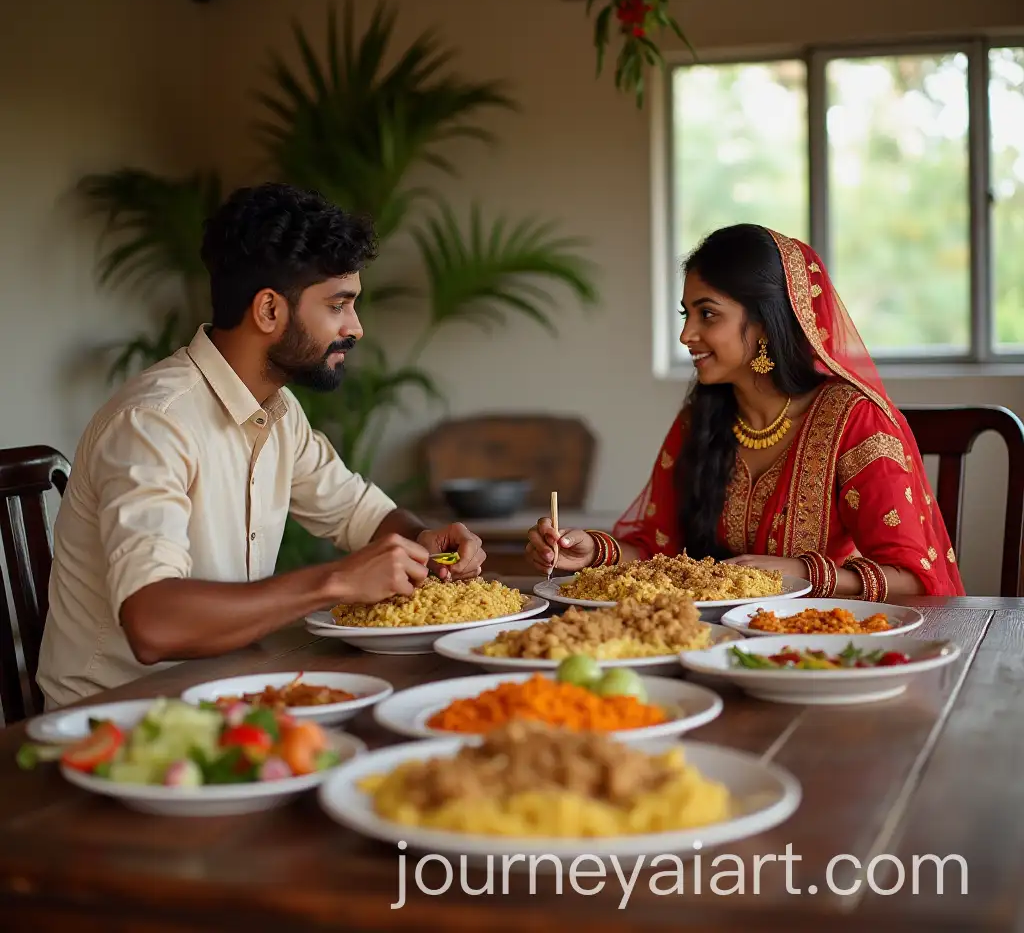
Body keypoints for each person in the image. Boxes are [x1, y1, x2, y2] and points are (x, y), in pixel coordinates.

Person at [37, 183, 486, 709]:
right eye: (338, 305)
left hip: (226, 698)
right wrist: (336, 581)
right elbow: (152, 622)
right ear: (269, 311)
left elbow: (361, 515)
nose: (356, 328)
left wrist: (428, 540)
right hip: (115, 726)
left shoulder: (278, 413)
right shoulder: (153, 422)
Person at [526, 223, 964, 600]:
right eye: (686, 314)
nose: (686, 335)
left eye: (707, 314)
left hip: (825, 644)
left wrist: (802, 573)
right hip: (714, 640)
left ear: (764, 323)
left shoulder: (854, 421)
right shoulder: (703, 419)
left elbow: (914, 580)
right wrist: (590, 550)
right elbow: (662, 550)